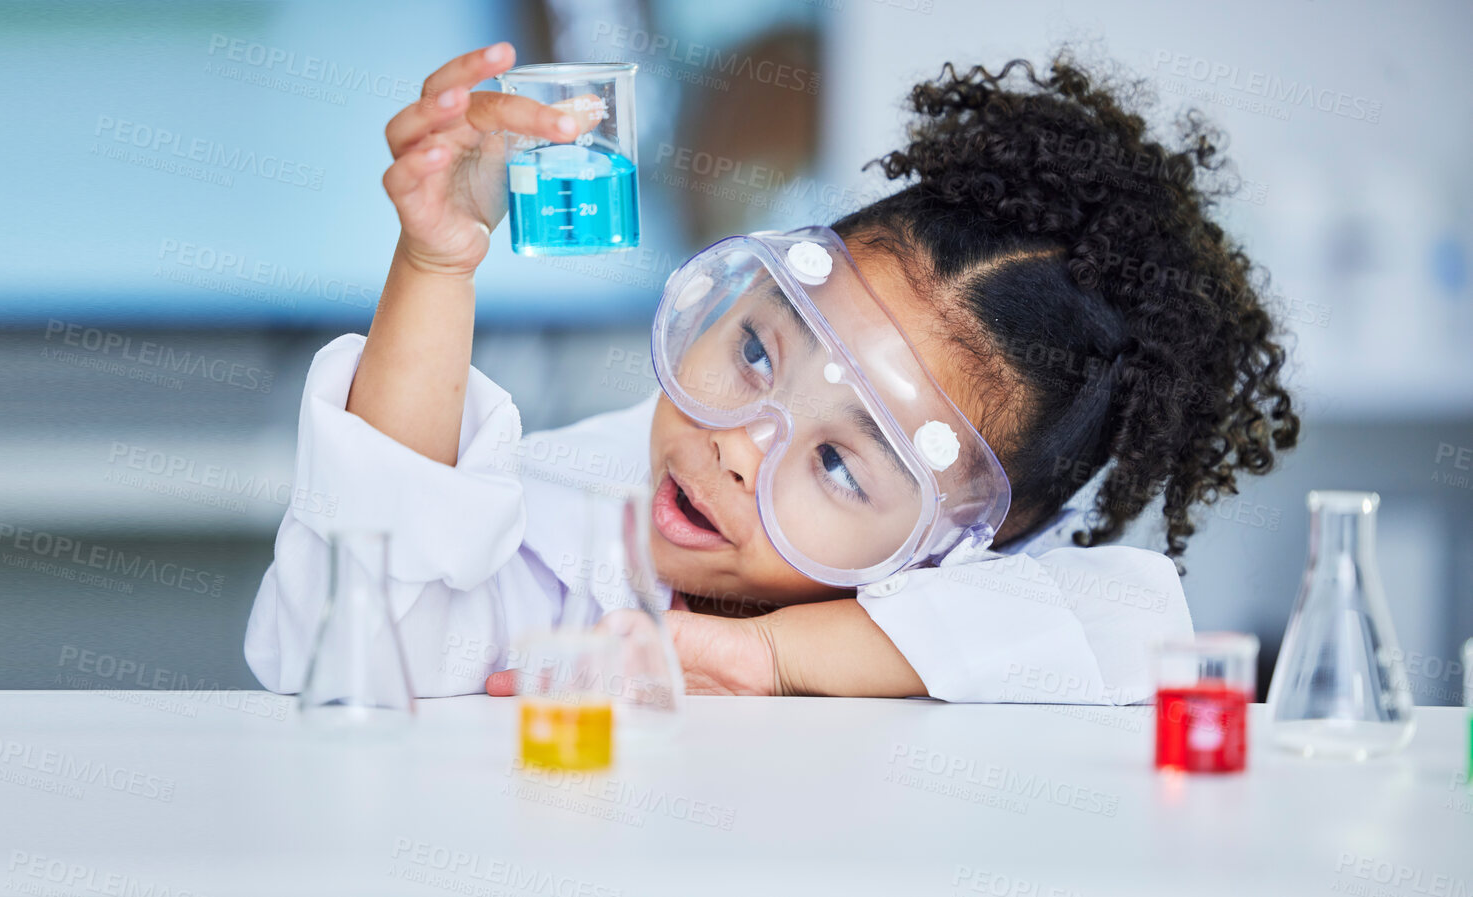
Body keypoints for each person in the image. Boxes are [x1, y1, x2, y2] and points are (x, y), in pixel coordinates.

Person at [244, 44, 1298, 704]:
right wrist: (438, 262)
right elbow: (334, 645)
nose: (738, 444)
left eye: (842, 465)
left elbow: (1133, 619)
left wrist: (767, 658)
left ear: (963, 535)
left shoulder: (973, 588)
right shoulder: (567, 514)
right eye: (756, 348)